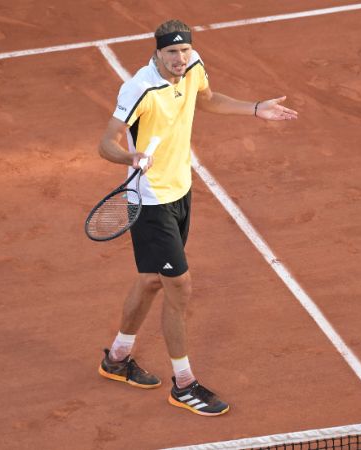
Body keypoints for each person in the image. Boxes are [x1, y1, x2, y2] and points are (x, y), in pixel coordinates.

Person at [96, 19, 298, 417]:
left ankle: (117, 358)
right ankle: (184, 384)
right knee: (179, 286)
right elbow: (107, 143)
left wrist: (255, 109)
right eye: (171, 53)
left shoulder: (193, 66)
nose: (179, 59)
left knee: (152, 280)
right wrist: (129, 157)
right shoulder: (139, 88)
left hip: (181, 191)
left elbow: (206, 99)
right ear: (156, 53)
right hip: (150, 199)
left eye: (184, 51)